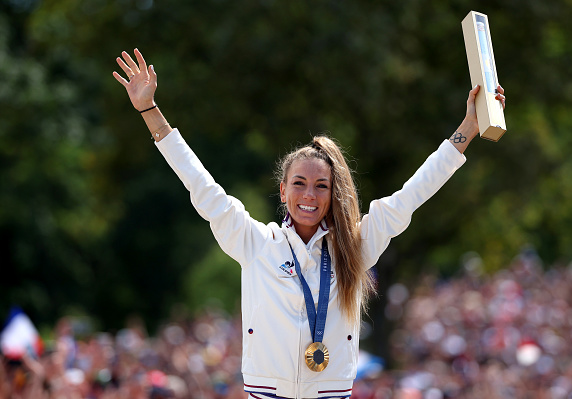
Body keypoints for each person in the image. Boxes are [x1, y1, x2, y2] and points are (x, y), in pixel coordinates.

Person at [113, 48, 505, 399]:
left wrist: (466, 130)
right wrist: (151, 111)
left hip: (332, 393)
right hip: (265, 393)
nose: (309, 195)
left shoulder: (354, 246)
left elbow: (412, 195)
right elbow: (201, 186)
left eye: (321, 186)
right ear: (282, 191)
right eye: (299, 184)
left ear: (332, 194)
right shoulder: (256, 242)